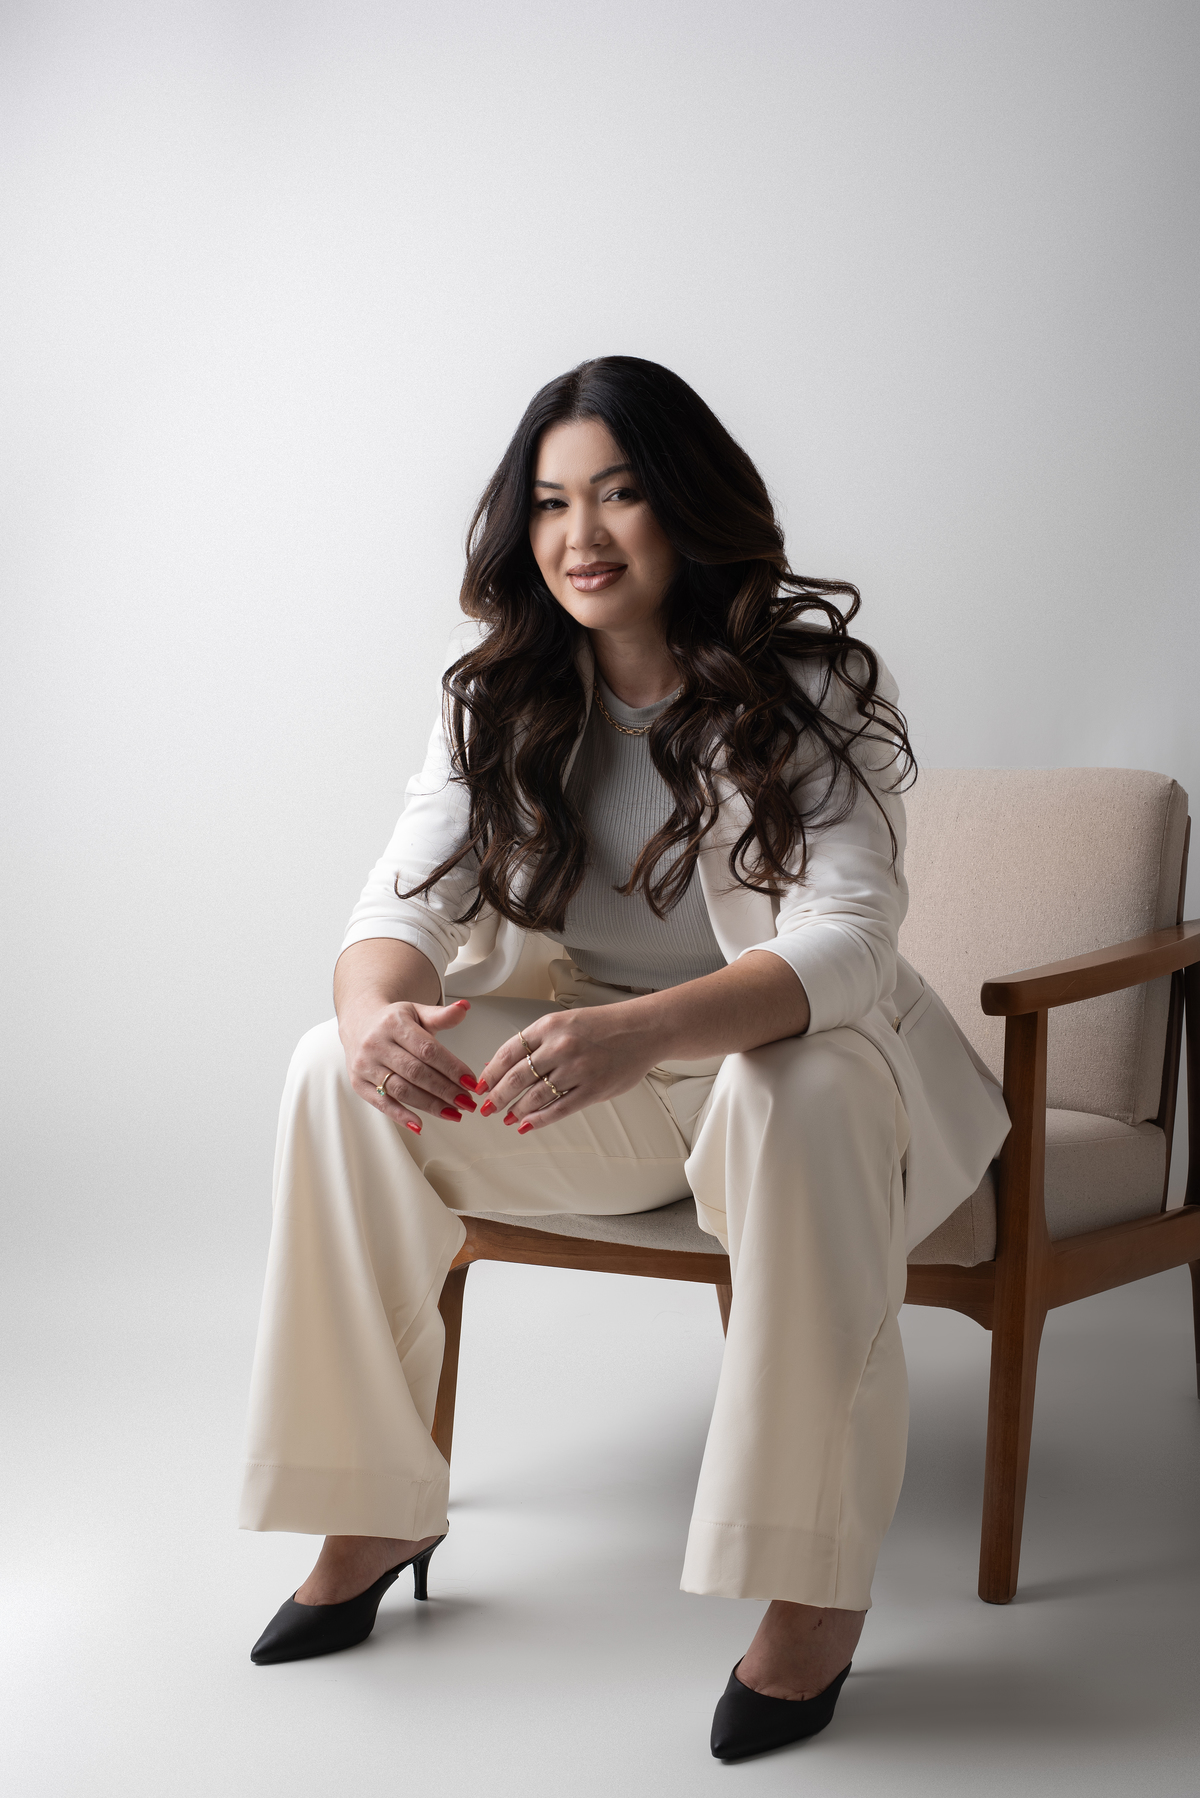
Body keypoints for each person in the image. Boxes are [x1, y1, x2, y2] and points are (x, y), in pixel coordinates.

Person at [239, 356, 1009, 1760]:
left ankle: (812, 1584)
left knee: (798, 1080)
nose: (579, 534)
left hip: (801, 1084)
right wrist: (373, 1018)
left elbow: (850, 941)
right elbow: (396, 913)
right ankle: (371, 1508)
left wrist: (640, 1031)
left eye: (618, 492)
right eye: (549, 503)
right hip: (595, 1086)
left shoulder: (814, 683)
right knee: (326, 1071)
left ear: (688, 504)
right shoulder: (500, 698)